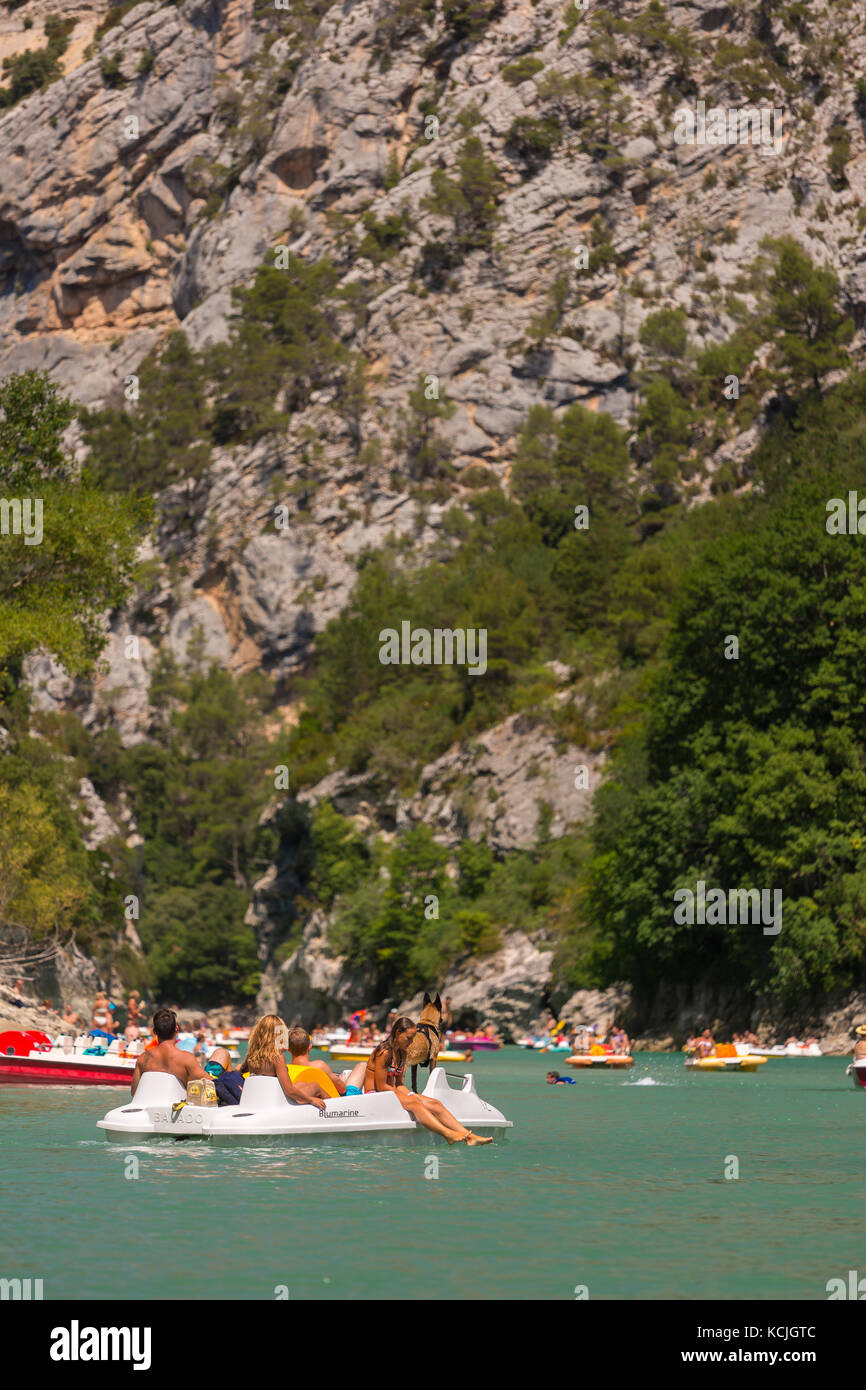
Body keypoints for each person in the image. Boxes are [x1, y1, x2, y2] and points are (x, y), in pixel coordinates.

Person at [364, 1017, 492, 1145]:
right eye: (409, 1038)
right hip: (376, 1095)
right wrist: (411, 1098)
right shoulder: (384, 1052)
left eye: (413, 1038)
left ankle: (469, 1136)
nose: (411, 1042)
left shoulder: (402, 1053)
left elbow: (398, 1084)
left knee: (435, 1104)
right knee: (415, 1103)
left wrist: (410, 1094)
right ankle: (448, 1134)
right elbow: (381, 1086)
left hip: (392, 1093)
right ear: (398, 1033)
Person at [245, 1015, 329, 1110]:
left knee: (302, 1083)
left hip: (262, 1097)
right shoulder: (277, 1057)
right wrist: (311, 1100)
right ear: (277, 1034)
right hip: (278, 1101)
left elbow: (241, 1070)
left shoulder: (252, 1054)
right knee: (315, 1086)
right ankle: (336, 1109)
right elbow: (289, 1091)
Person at [131, 1008, 210, 1096]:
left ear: (154, 1031)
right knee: (222, 1053)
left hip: (149, 1104)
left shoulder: (142, 1059)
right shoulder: (186, 1058)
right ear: (176, 1029)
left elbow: (134, 1093)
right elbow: (212, 1084)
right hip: (175, 1106)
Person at [287, 1027, 366, 1096]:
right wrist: (343, 1081)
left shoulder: (286, 1069)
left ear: (288, 1049)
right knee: (362, 1065)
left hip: (313, 1101)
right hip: (339, 1100)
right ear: (310, 1047)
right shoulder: (319, 1066)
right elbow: (342, 1089)